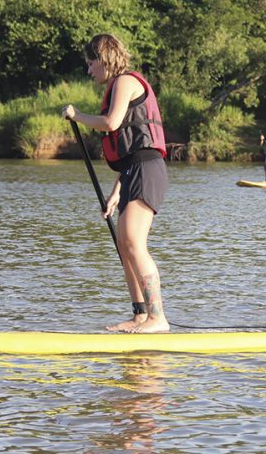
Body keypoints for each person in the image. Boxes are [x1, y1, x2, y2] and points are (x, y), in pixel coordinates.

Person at [62, 33, 170, 334]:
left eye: (90, 63)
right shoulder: (117, 84)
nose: (89, 70)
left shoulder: (125, 81)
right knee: (124, 246)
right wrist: (116, 192)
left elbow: (111, 122)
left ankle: (158, 318)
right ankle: (139, 316)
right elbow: (130, 152)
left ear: (103, 58)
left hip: (148, 171)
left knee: (135, 243)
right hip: (134, 172)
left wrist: (77, 115)